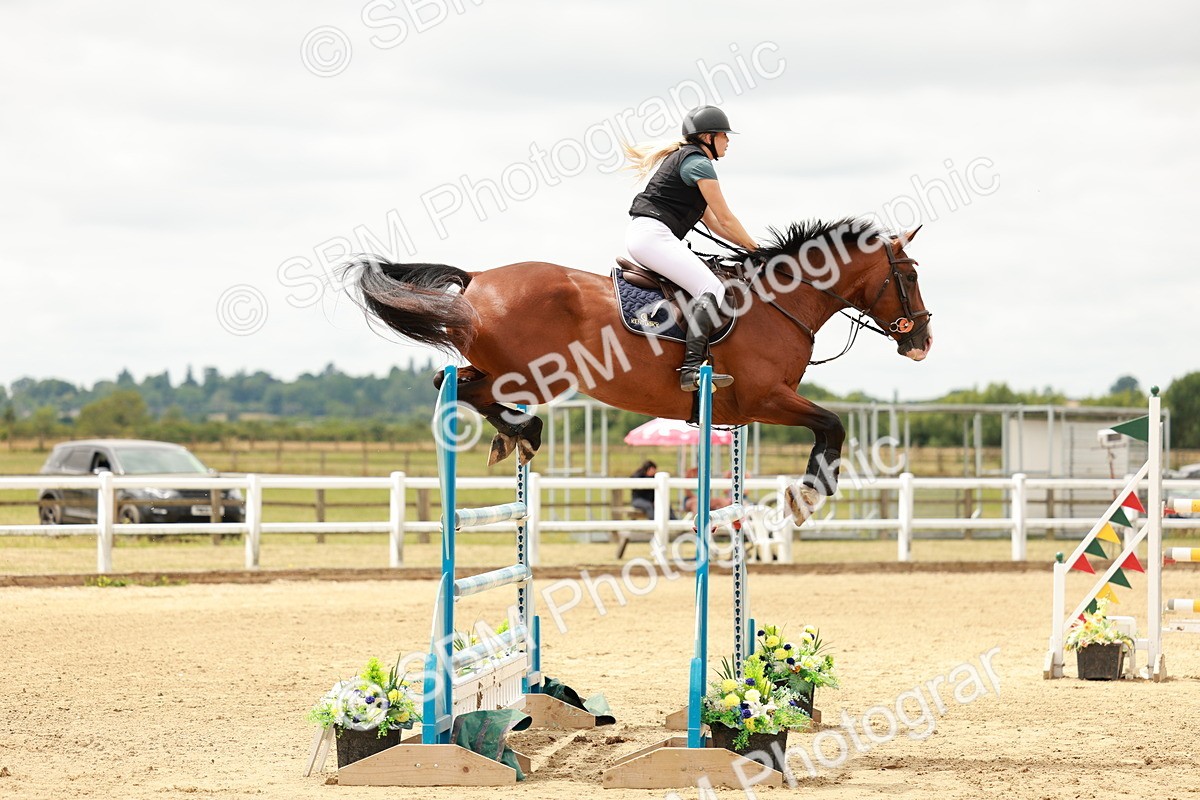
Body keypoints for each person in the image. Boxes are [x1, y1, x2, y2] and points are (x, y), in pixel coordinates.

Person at [623, 104, 760, 392]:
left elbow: (716, 226)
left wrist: (748, 247)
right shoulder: (700, 164)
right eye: (724, 135)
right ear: (708, 137)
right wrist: (757, 250)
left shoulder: (689, 160)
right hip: (653, 235)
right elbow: (726, 218)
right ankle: (691, 369)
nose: (728, 140)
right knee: (711, 289)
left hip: (649, 234)